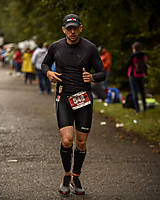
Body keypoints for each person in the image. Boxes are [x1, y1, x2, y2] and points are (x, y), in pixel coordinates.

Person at [41, 14, 105, 195]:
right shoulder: (55, 47)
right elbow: (44, 65)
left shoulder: (90, 48)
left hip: (83, 98)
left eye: (75, 28)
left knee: (82, 143)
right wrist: (48, 74)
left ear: (80, 28)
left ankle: (76, 176)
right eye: (69, 28)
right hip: (64, 97)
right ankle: (66, 176)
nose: (72, 32)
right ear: (63, 29)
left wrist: (92, 77)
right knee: (67, 140)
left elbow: (102, 73)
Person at [127, 41, 147, 112]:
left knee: (134, 92)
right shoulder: (144, 55)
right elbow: (145, 64)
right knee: (142, 92)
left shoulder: (133, 55)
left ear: (134, 48)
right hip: (141, 75)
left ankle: (137, 109)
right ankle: (145, 107)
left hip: (133, 75)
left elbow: (128, 64)